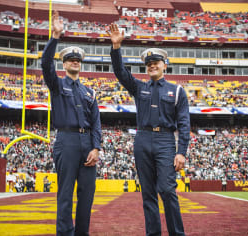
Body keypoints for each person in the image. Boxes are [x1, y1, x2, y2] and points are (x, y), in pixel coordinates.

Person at [107, 23, 190, 236]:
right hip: (142, 139)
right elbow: (120, 72)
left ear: (165, 66)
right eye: (149, 63)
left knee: (167, 191)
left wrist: (181, 151)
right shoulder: (139, 87)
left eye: (156, 62)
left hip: (165, 141)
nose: (152, 65)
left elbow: (184, 124)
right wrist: (116, 47)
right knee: (148, 194)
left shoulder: (177, 91)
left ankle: (177, 233)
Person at [41, 11, 102, 235]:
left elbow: (96, 123)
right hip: (66, 140)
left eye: (78, 60)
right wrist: (55, 36)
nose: (75, 62)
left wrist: (96, 147)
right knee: (65, 193)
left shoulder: (89, 92)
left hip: (87, 143)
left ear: (80, 64)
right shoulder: (57, 85)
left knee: (87, 194)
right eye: (70, 60)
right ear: (64, 65)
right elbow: (46, 64)